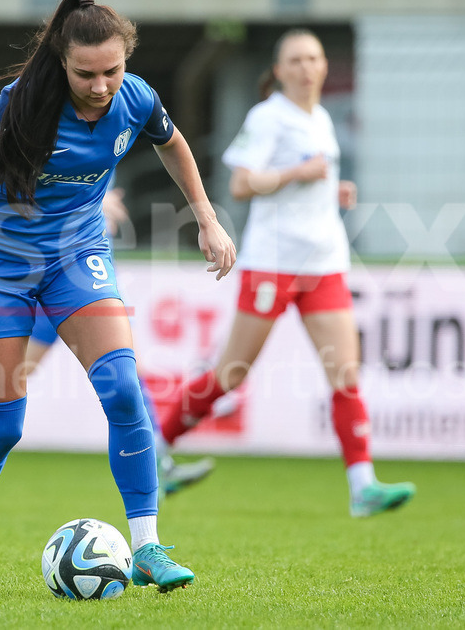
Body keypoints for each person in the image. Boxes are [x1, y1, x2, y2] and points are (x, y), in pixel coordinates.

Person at [0, 0, 236, 594]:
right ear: (61, 64)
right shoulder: (20, 105)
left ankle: (147, 546)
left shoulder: (137, 97)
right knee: (4, 424)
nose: (101, 87)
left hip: (78, 256)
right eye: (86, 74)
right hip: (0, 266)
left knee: (124, 388)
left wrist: (206, 215)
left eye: (113, 71)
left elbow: (172, 142)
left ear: (127, 61)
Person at [157, 29, 416, 519]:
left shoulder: (320, 118)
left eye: (314, 58)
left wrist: (331, 191)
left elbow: (306, 180)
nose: (306, 67)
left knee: (345, 375)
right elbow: (240, 183)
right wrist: (297, 176)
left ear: (323, 66)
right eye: (295, 59)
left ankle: (362, 484)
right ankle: (154, 448)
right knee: (231, 373)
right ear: (278, 70)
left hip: (324, 264)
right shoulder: (268, 116)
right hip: (272, 264)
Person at [0, 189, 216, 497]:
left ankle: (159, 462)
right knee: (13, 375)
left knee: (127, 369)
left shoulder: (116, 134)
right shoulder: (56, 138)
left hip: (89, 265)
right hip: (59, 271)